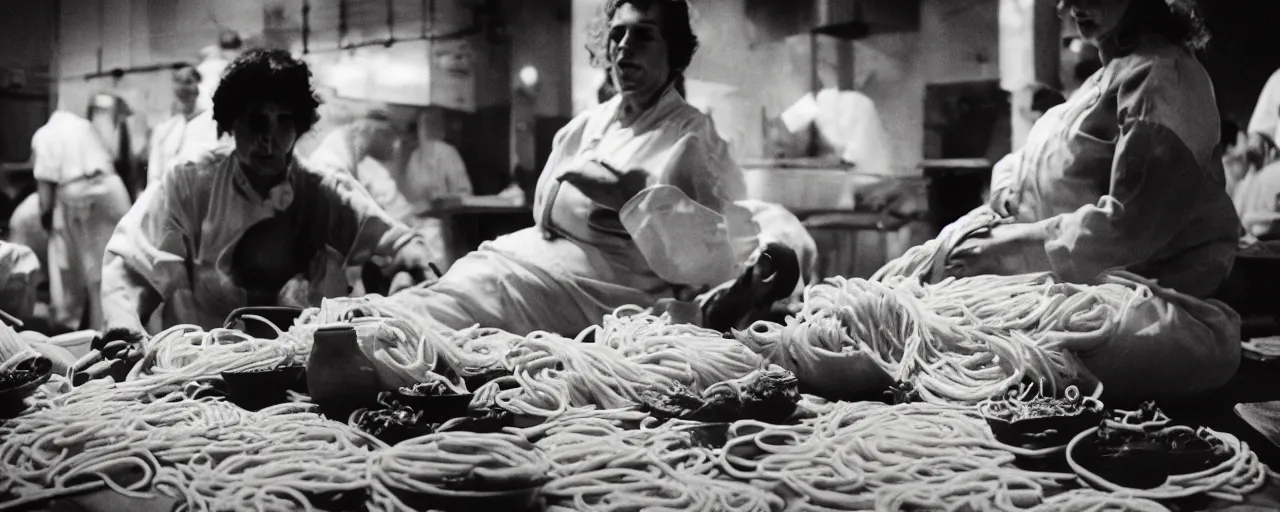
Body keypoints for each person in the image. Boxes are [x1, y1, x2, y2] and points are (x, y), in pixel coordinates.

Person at [380, 0, 805, 337]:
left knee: (431, 321)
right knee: (434, 302)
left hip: (601, 298)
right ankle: (356, 333)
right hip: (523, 272)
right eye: (617, 35)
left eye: (643, 36)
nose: (624, 46)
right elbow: (544, 212)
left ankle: (364, 343)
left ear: (673, 52)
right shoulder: (584, 127)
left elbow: (713, 259)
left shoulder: (693, 138)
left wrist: (630, 198)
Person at [929, 0, 1240, 400]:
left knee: (992, 346)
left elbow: (1131, 226)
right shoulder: (1105, 78)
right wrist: (1009, 182)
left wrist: (1010, 245)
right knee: (906, 308)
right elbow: (1039, 154)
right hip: (1055, 285)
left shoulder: (1164, 78)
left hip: (1150, 304)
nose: (1068, 5)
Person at [99, 49, 438, 340]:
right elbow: (130, 270)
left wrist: (408, 284)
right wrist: (124, 328)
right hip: (200, 373)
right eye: (257, 121)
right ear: (231, 124)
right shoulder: (190, 185)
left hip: (303, 376)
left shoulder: (323, 192)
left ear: (300, 126)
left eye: (284, 121)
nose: (269, 138)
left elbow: (404, 246)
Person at [33, 103, 134, 332]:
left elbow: (45, 197)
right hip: (112, 191)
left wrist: (47, 225)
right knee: (109, 272)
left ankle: (73, 330)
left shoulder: (45, 135)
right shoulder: (83, 127)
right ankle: (112, 331)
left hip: (78, 195)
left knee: (71, 272)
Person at [146, 65, 219, 190]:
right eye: (178, 81)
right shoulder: (166, 129)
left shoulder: (211, 123)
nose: (182, 87)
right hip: (167, 195)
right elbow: (155, 173)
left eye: (188, 82)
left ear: (198, 87)